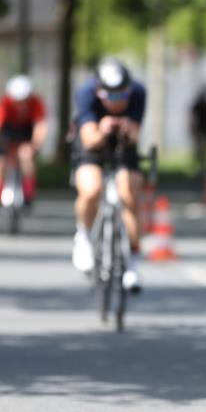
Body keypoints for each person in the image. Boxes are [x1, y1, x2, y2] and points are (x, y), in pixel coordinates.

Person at [71, 57, 147, 292]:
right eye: (110, 97)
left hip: (123, 144)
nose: (116, 102)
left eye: (121, 96)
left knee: (129, 196)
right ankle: (83, 236)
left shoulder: (138, 92)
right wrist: (103, 128)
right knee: (91, 189)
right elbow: (88, 139)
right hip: (93, 140)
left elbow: (135, 135)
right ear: (99, 91)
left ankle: (132, 263)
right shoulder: (86, 93)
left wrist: (125, 127)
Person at [0, 75, 47, 206]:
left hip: (26, 132)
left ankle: (28, 193)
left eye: (25, 100)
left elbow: (40, 126)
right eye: (17, 101)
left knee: (26, 156)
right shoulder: (4, 104)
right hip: (7, 132)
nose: (21, 104)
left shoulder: (36, 102)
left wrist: (35, 145)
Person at [189, 88, 206, 184]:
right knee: (199, 152)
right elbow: (193, 119)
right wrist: (193, 131)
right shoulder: (198, 105)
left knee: (204, 153)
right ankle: (199, 170)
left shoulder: (205, 106)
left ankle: (203, 171)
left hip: (204, 131)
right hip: (200, 131)